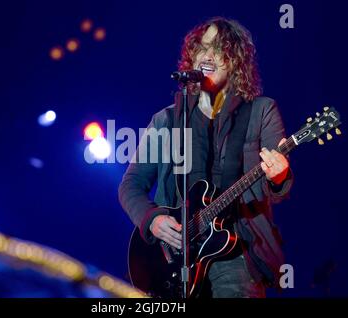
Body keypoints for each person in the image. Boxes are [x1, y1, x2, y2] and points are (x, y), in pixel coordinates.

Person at [118, 16, 293, 298]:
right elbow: (131, 185)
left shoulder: (261, 112)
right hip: (172, 259)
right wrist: (152, 220)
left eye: (219, 48)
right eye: (201, 47)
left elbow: (279, 187)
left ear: (236, 61)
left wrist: (279, 176)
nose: (207, 55)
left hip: (237, 251)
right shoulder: (166, 120)